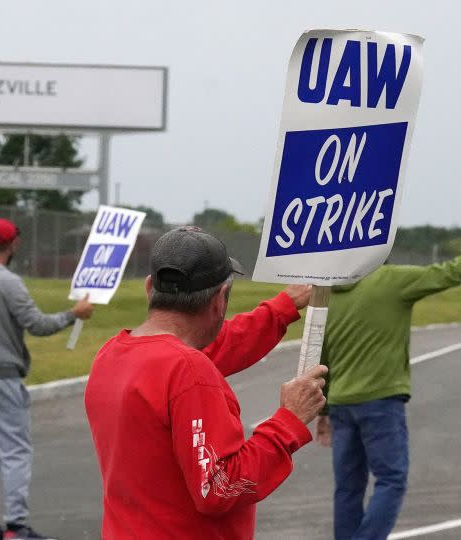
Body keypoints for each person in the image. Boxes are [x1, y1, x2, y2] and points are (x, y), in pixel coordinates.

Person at [84, 226, 327, 539]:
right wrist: (288, 421)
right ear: (220, 299)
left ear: (149, 288)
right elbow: (219, 487)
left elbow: (214, 346)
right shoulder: (187, 369)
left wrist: (282, 308)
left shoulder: (113, 355)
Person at [316, 214, 461, 540]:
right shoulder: (393, 280)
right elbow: (452, 272)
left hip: (341, 404)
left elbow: (323, 355)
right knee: (392, 479)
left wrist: (324, 411)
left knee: (348, 489)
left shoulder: (330, 293)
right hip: (380, 400)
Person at [0, 218, 95, 540]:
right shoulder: (7, 282)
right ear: (14, 245)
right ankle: (16, 525)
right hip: (3, 377)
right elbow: (37, 324)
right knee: (15, 451)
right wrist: (73, 314)